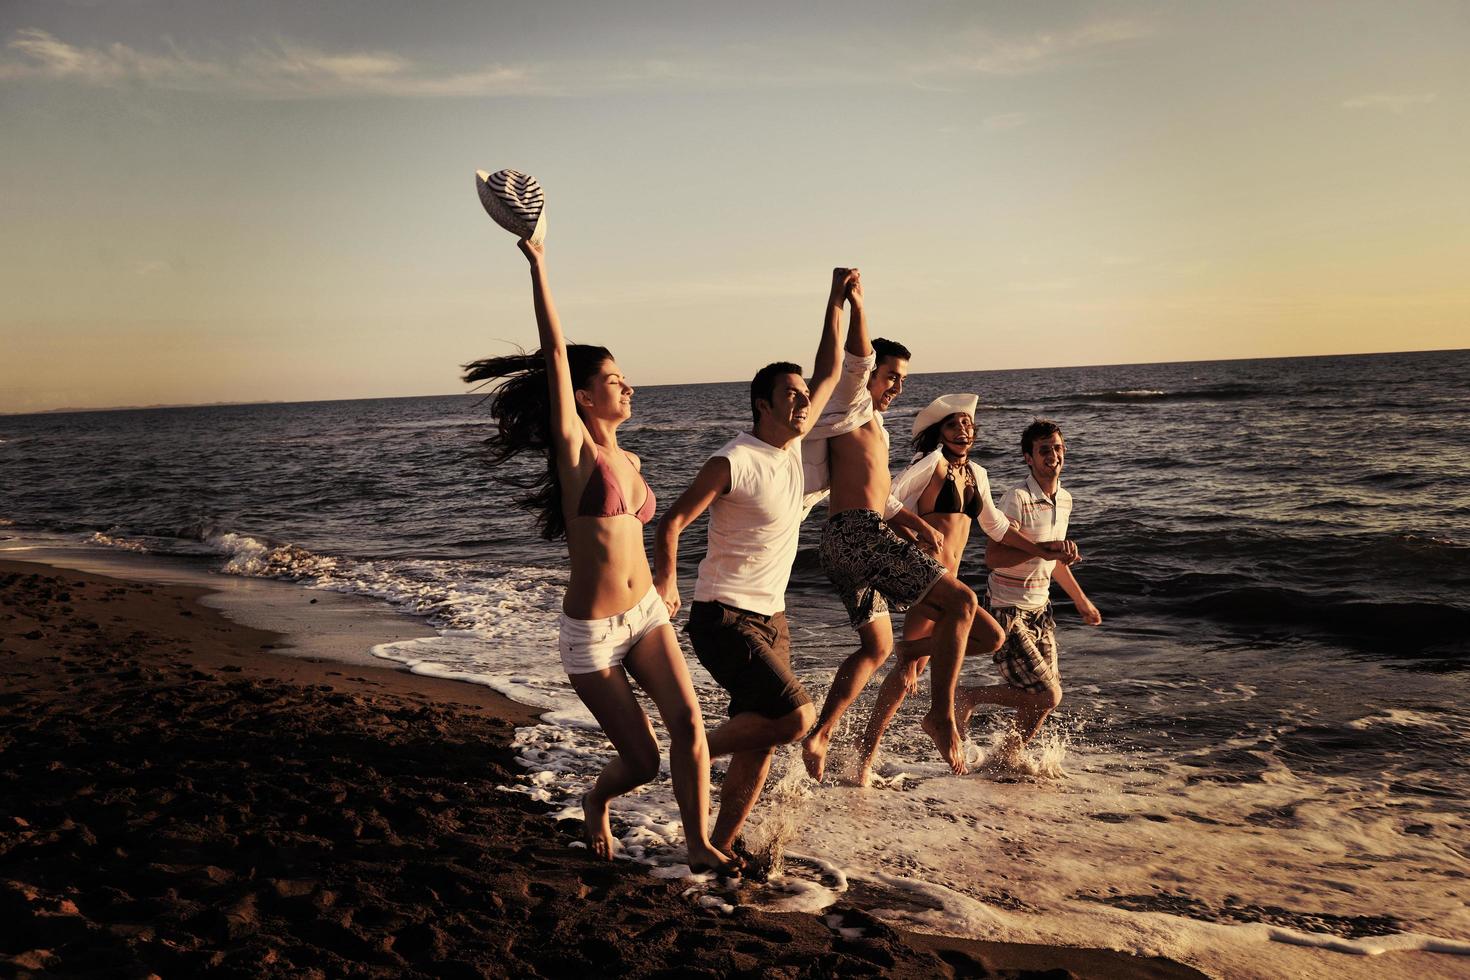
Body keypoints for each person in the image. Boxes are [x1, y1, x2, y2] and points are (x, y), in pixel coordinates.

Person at [463, 238, 734, 875]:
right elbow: (556, 353)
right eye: (614, 380)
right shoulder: (575, 453)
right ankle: (596, 802)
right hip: (591, 634)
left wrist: (665, 579)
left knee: (689, 720)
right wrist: (538, 265)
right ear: (583, 397)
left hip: (644, 614)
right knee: (639, 762)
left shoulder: (632, 461)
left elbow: (650, 534)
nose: (628, 386)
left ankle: (698, 844)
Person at [654, 267, 851, 860]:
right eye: (791, 396)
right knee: (795, 719)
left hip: (773, 618)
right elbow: (671, 523)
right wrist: (666, 578)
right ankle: (688, 753)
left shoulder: (790, 447)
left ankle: (716, 846)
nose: (803, 402)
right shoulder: (733, 460)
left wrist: (834, 301)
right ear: (762, 405)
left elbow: (833, 371)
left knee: (760, 744)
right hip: (723, 615)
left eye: (802, 397)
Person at [798, 299, 987, 780]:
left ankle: (820, 735)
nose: (897, 386)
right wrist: (851, 300)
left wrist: (914, 524)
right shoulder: (851, 403)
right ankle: (941, 717)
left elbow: (879, 495)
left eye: (903, 379)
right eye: (890, 376)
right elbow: (855, 357)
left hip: (846, 538)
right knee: (963, 603)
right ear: (868, 377)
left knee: (876, 649)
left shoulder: (872, 426)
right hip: (857, 533)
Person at [850, 396, 1076, 785]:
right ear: (940, 431)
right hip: (924, 577)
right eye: (954, 425)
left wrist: (1042, 550)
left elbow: (999, 529)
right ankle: (865, 759)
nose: (964, 431)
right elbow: (883, 501)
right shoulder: (930, 464)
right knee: (912, 673)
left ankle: (867, 749)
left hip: (949, 582)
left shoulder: (978, 474)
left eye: (969, 425)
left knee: (982, 640)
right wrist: (917, 532)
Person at [955, 419, 1101, 750]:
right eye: (1044, 450)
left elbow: (1053, 562)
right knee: (1047, 693)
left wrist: (1082, 602)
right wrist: (1042, 549)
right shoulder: (1016, 499)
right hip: (1007, 608)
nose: (1053, 455)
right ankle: (968, 696)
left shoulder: (1064, 500)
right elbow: (993, 557)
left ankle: (1007, 757)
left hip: (1040, 610)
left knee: (1045, 697)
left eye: (1058, 448)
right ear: (1028, 457)